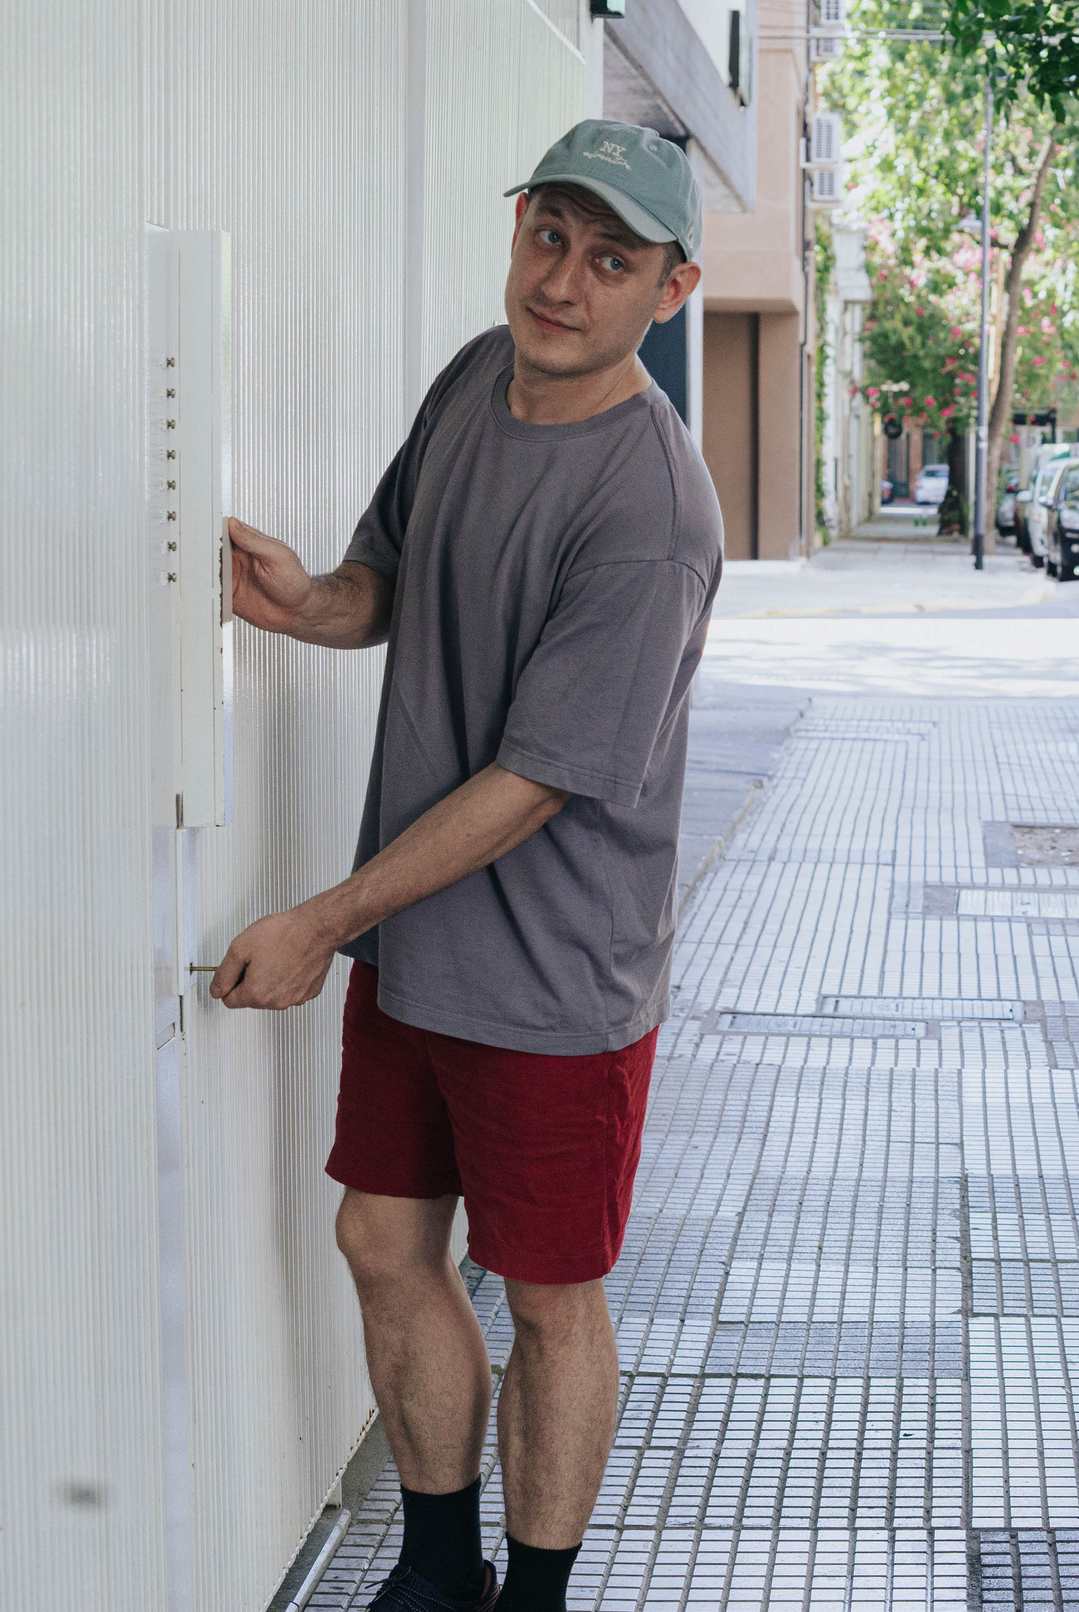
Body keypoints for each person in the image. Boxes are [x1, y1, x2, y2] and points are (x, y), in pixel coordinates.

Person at [209, 119, 719, 1612]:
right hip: (421, 948)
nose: (563, 280)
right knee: (381, 1238)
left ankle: (536, 1594)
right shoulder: (469, 382)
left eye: (608, 258)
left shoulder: (652, 509)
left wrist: (322, 915)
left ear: (670, 290)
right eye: (547, 236)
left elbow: (536, 781)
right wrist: (308, 601)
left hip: (557, 976)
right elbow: (393, 579)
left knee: (555, 1301)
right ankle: (438, 1571)